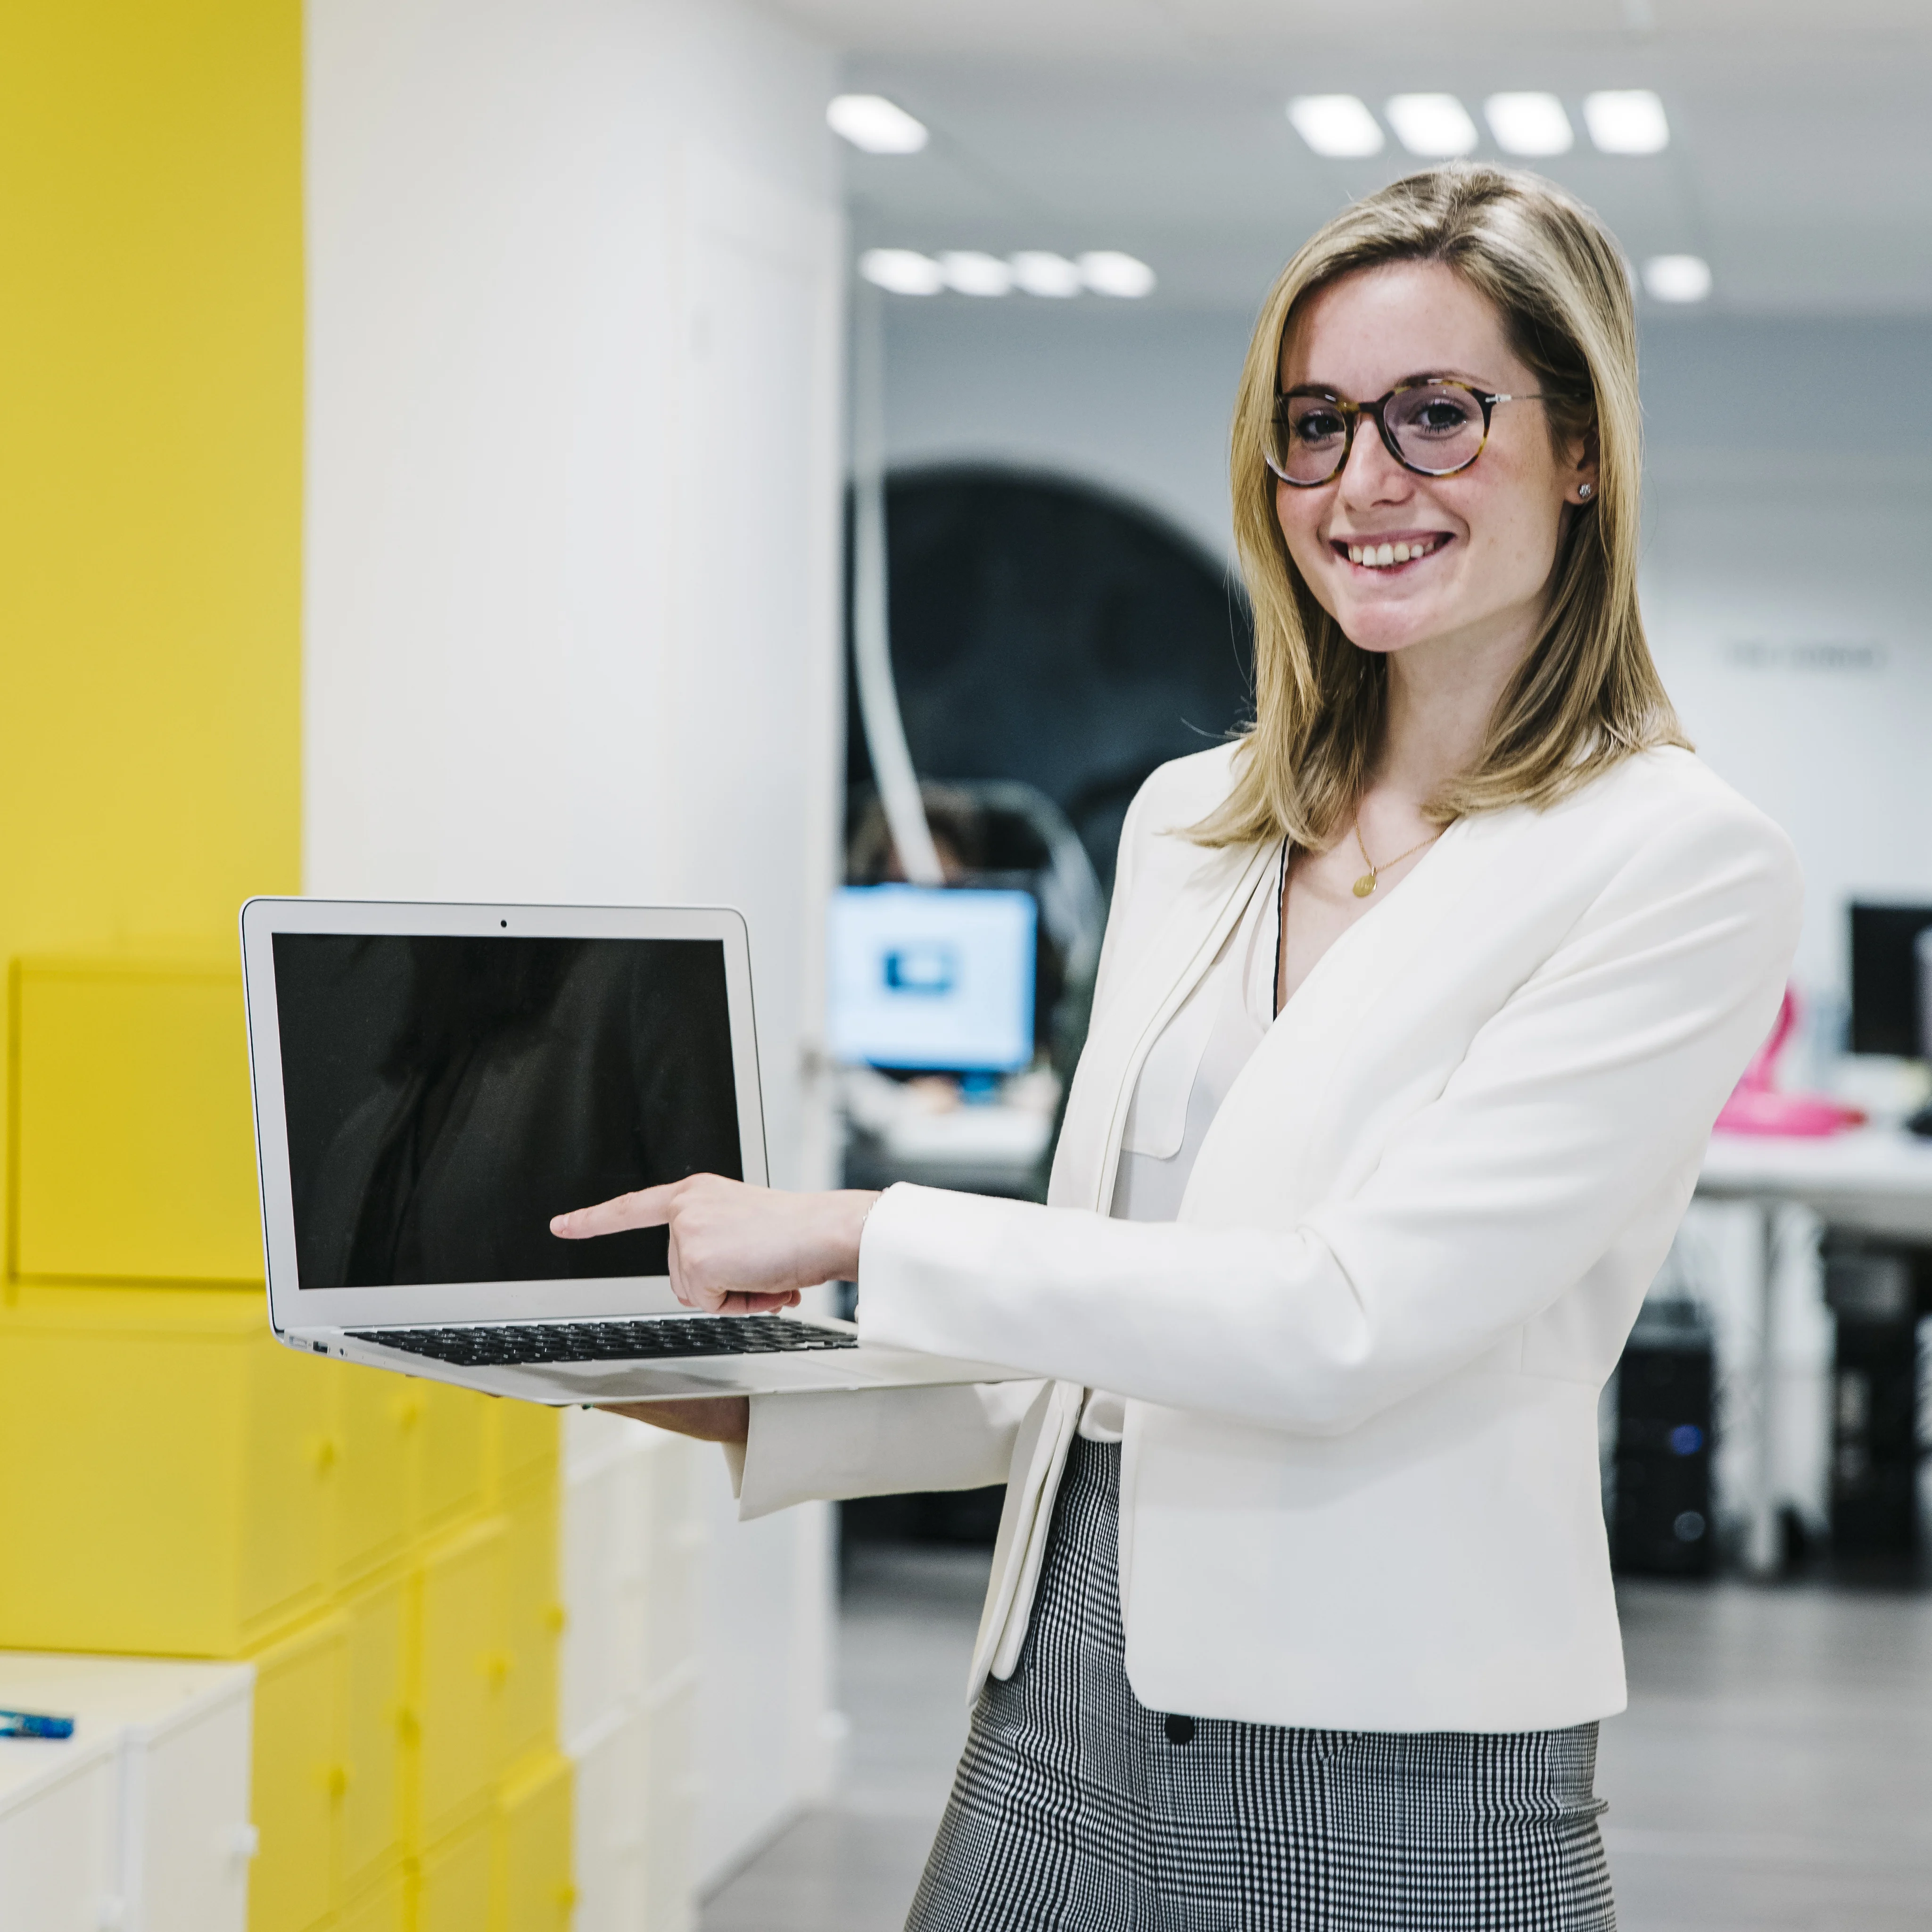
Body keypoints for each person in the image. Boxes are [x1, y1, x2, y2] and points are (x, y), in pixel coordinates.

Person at [553, 163, 1802, 1931]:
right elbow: (1086, 1344)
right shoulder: (1189, 821)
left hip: (1392, 1747)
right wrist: (692, 1386)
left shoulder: (1674, 859)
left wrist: (860, 1228)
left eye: (1438, 416)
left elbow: (1340, 1323)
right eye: (1316, 424)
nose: (1367, 482)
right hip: (1055, 1693)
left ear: (1582, 447)